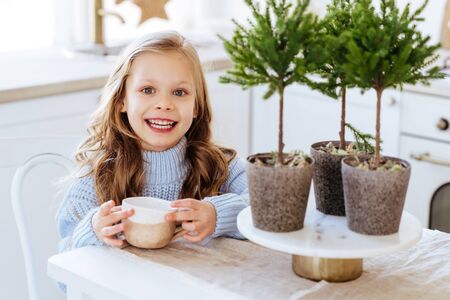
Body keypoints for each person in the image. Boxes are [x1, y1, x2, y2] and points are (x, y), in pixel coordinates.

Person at [56, 30, 248, 253]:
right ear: (121, 101)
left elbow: (269, 206)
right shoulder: (98, 175)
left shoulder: (220, 165)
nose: (164, 104)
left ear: (196, 106)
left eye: (179, 92)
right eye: (148, 90)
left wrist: (218, 215)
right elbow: (66, 261)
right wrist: (93, 230)